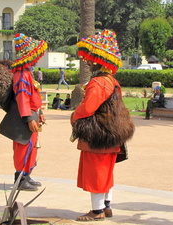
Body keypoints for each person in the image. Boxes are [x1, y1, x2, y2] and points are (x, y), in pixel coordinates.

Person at [71, 29, 125, 221]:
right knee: (106, 173)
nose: (87, 61)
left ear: (99, 60)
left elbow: (88, 108)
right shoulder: (112, 80)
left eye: (90, 58)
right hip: (111, 134)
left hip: (98, 136)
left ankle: (96, 211)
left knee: (96, 173)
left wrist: (74, 116)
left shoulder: (98, 82)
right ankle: (106, 206)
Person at [10, 33, 47, 191]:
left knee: (31, 146)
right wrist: (28, 118)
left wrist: (38, 113)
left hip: (32, 113)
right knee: (23, 147)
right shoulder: (21, 75)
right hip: (25, 116)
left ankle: (26, 175)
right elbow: (23, 98)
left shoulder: (26, 73)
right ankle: (20, 178)